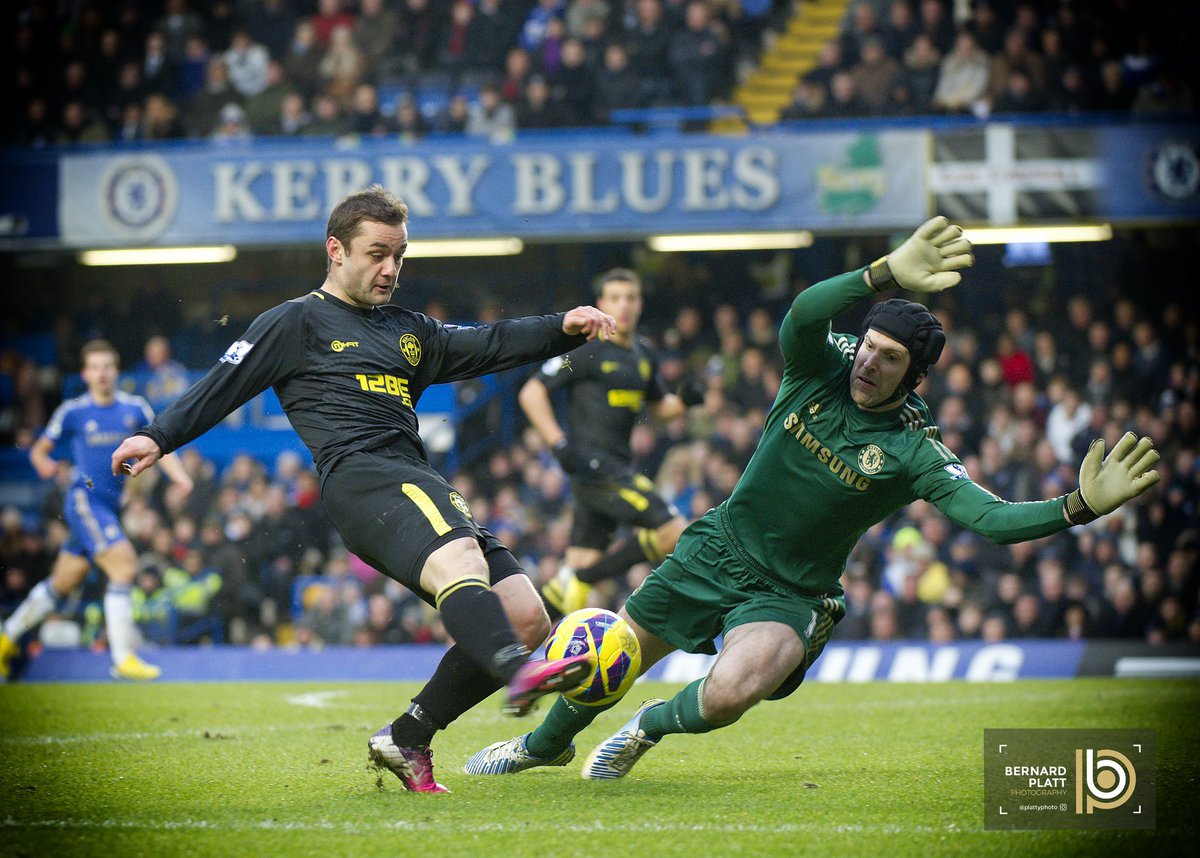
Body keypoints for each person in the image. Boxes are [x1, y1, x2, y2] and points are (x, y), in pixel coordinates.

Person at [463, 216, 1160, 780]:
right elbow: (801, 312)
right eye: (867, 344)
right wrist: (879, 272)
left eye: (889, 359)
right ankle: (543, 747)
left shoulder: (915, 449)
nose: (868, 360)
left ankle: (644, 729)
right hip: (716, 548)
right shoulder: (816, 367)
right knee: (613, 651)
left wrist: (1078, 506)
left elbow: (992, 519)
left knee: (731, 694)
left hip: (792, 594)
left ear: (912, 378)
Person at [108, 185, 615, 793]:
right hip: (361, 475)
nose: (391, 269)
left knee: (526, 614)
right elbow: (227, 380)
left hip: (413, 477)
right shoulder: (296, 322)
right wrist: (158, 435)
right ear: (335, 251)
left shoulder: (409, 331)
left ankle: (408, 736)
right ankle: (515, 670)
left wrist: (562, 327)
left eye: (399, 255)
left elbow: (489, 343)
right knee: (465, 566)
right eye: (377, 254)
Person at [0, 340, 194, 682]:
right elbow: (38, 450)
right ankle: (122, 658)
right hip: (84, 502)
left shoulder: (135, 408)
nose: (102, 373)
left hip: (110, 507)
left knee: (61, 584)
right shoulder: (73, 412)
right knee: (125, 565)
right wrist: (45, 464)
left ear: (116, 371)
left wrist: (181, 478)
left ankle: (5, 639)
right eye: (96, 367)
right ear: (85, 373)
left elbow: (160, 445)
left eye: (108, 366)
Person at [522, 268, 704, 619]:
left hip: (617, 469)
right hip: (593, 467)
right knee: (673, 532)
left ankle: (510, 651)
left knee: (570, 595)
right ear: (602, 304)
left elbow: (658, 408)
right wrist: (558, 444)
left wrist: (683, 401)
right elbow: (532, 392)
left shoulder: (644, 354)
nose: (624, 305)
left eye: (631, 297)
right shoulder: (587, 350)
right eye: (616, 298)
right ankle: (579, 579)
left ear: (640, 304)